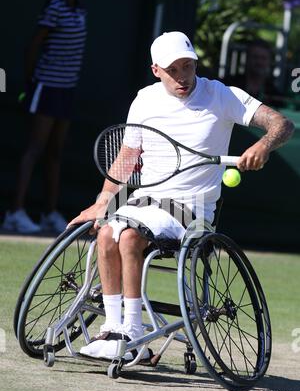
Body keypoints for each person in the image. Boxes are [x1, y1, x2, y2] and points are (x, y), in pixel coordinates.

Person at [68, 31, 294, 360]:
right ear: (156, 70)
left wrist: (262, 145)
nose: (183, 76)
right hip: (144, 203)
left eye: (188, 66)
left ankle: (132, 332)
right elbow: (129, 155)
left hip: (191, 211)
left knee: (129, 238)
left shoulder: (221, 95)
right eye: (173, 69)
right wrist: (104, 199)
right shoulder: (144, 100)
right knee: (105, 235)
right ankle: (113, 329)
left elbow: (282, 124)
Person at [2, 0, 87, 234]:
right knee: (35, 148)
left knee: (56, 152)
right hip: (46, 87)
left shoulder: (79, 10)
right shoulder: (55, 8)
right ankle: (15, 213)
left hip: (66, 90)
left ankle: (49, 213)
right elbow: (32, 47)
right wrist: (30, 85)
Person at [224, 39, 284, 108]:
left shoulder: (274, 93)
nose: (259, 62)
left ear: (269, 61)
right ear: (247, 59)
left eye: (263, 58)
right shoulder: (230, 86)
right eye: (255, 57)